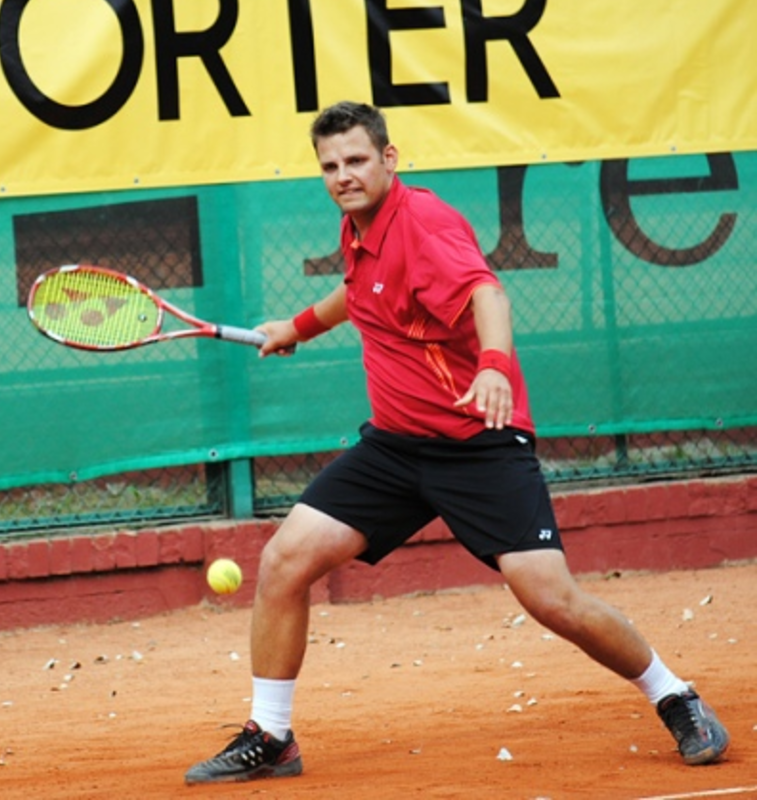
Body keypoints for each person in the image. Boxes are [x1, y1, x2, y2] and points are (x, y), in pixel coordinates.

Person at [184, 101, 730, 784]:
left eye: (356, 160)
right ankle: (271, 736)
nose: (343, 175)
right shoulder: (359, 227)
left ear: (389, 159)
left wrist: (494, 366)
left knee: (551, 599)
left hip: (478, 445)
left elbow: (487, 294)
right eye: (330, 165)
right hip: (394, 448)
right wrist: (298, 326)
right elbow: (362, 292)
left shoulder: (424, 222)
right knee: (284, 561)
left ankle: (675, 696)